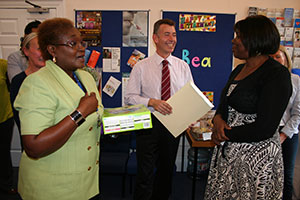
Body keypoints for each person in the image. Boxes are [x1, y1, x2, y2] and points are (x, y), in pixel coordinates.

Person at [14, 18, 103, 200]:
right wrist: (80, 113)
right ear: (52, 49)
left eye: (81, 42)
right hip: (52, 188)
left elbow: (96, 118)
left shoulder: (85, 77)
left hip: (86, 183)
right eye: (72, 43)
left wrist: (115, 124)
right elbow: (34, 146)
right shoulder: (37, 83)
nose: (81, 48)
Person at [205, 15, 292, 199]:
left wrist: (224, 133)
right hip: (229, 154)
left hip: (256, 160)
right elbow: (224, 103)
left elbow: (265, 127)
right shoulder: (238, 70)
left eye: (239, 36)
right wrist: (218, 119)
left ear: (256, 40)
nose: (233, 40)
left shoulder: (277, 75)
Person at [125, 18, 193, 200]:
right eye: (167, 34)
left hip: (173, 123)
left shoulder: (183, 66)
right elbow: (129, 98)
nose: (172, 39)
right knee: (145, 173)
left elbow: (190, 96)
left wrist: (189, 117)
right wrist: (152, 102)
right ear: (155, 38)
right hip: (148, 123)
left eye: (174, 35)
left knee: (167, 171)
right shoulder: (140, 67)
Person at [270, 45, 300, 200]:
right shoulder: (264, 81)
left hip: (288, 133)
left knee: (286, 176)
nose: (274, 60)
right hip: (267, 131)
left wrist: (283, 135)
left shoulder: (295, 81)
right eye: (271, 57)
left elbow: (297, 115)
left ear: (285, 59)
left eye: (277, 57)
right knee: (268, 174)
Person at [10, 32, 45, 150]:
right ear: (26, 51)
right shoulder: (19, 81)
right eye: (40, 49)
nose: (44, 54)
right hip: (33, 143)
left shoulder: (55, 78)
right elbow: (20, 118)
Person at [0, 59, 16, 195]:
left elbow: (12, 88)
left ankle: (7, 185)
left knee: (3, 153)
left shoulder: (3, 65)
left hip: (4, 116)